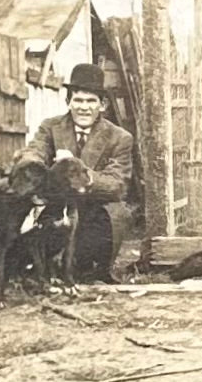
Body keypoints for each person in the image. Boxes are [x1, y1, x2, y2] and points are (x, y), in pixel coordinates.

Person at [14, 62, 134, 282]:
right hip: (57, 207)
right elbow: (35, 151)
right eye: (78, 100)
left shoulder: (120, 137)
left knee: (113, 216)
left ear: (103, 104)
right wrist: (33, 166)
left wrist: (77, 169)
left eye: (91, 101)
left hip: (93, 207)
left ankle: (87, 267)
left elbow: (117, 185)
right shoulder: (51, 127)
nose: (84, 107)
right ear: (68, 101)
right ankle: (35, 266)